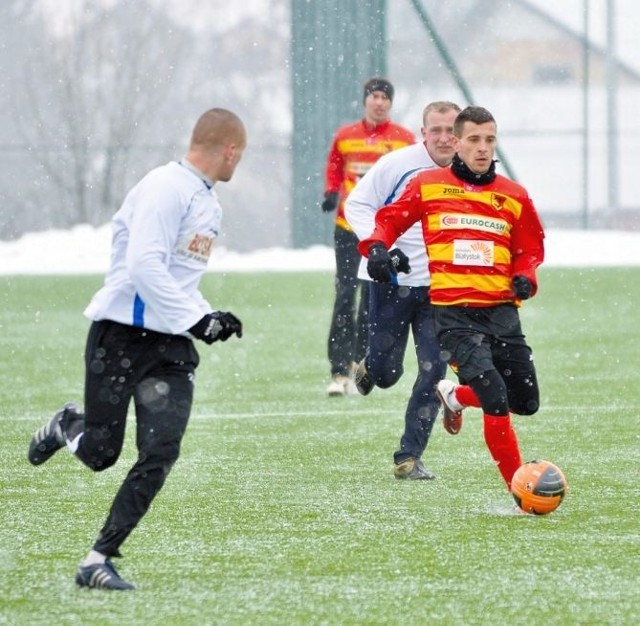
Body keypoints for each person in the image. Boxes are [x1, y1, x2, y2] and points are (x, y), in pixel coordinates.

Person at [27, 108, 247, 590]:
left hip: (169, 350)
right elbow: (145, 267)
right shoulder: (164, 188)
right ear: (230, 150)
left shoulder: (209, 202)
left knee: (160, 451)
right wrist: (195, 319)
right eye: (240, 155)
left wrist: (210, 316)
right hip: (121, 336)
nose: (238, 164)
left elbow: (179, 277)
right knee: (102, 453)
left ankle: (97, 559)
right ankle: (69, 424)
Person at [357, 106, 544, 500]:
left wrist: (526, 275)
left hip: (501, 312)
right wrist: (376, 246)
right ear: (456, 143)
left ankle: (456, 395)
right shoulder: (429, 185)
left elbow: (529, 248)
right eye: (473, 140)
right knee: (493, 395)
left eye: (489, 140)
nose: (482, 148)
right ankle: (521, 494)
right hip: (452, 311)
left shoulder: (514, 195)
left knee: (525, 402)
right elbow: (389, 219)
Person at [345, 101, 461, 480]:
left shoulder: (469, 173)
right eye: (436, 130)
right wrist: (379, 249)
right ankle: (369, 367)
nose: (444, 138)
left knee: (433, 372)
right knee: (387, 372)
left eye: (451, 131)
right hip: (391, 282)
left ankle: (409, 456)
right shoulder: (397, 165)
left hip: (440, 289)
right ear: (423, 133)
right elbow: (357, 204)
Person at [321, 77, 416, 396]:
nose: (379, 102)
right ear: (365, 101)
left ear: (390, 103)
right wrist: (332, 191)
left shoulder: (403, 139)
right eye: (374, 97)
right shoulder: (346, 136)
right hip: (349, 228)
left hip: (382, 232)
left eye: (385, 98)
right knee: (346, 295)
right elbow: (335, 165)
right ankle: (338, 368)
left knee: (371, 298)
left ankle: (362, 363)